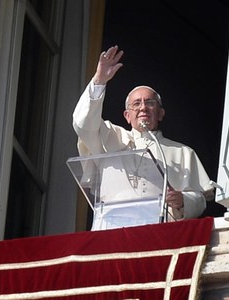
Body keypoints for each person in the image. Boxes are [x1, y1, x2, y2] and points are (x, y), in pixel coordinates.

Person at [73, 45, 213, 228]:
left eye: (150, 103)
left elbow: (200, 198)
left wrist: (183, 200)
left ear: (161, 113)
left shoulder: (183, 152)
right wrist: (99, 81)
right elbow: (83, 124)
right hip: (111, 229)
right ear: (127, 116)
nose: (143, 108)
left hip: (158, 231)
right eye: (136, 104)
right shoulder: (108, 137)